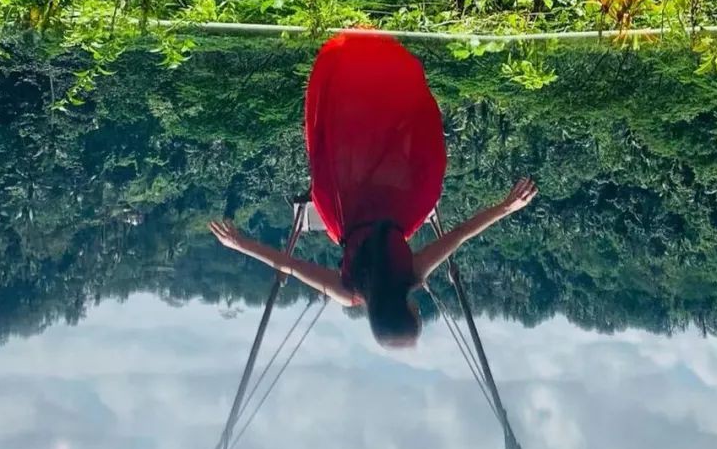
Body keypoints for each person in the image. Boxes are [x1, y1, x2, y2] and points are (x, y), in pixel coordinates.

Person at [209, 31, 537, 348]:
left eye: (416, 317)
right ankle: (354, 59)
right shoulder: (351, 290)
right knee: (352, 127)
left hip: (392, 198)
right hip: (349, 196)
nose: (419, 312)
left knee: (389, 128)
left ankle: (376, 58)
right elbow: (289, 265)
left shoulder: (408, 275)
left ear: (406, 313)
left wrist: (507, 207)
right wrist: (240, 244)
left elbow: (462, 233)